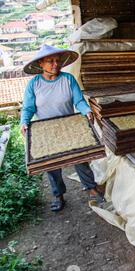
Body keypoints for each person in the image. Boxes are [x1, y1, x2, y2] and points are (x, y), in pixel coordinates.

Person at [20, 44, 104, 212]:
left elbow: (78, 100)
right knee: (51, 165)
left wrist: (86, 110)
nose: (55, 64)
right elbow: (28, 108)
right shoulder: (34, 84)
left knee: (80, 158)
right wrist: (24, 121)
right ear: (41, 64)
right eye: (50, 61)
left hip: (68, 125)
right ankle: (58, 195)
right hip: (46, 129)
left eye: (57, 60)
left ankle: (91, 188)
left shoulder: (68, 79)